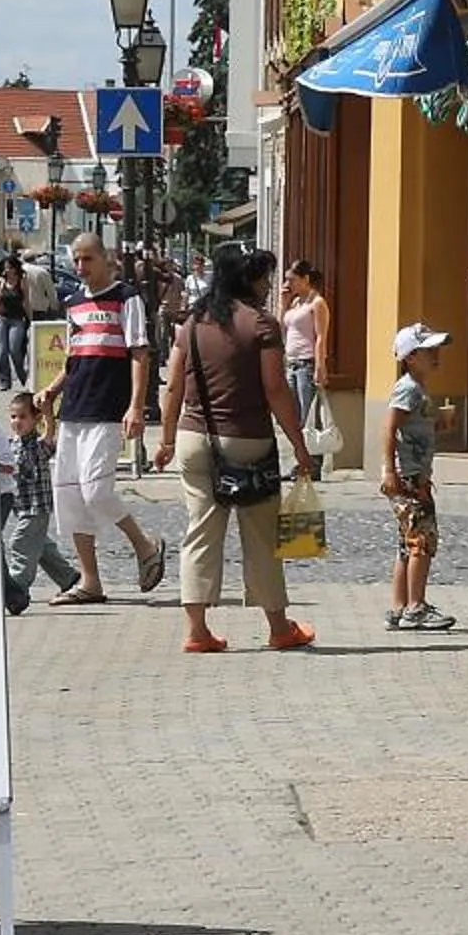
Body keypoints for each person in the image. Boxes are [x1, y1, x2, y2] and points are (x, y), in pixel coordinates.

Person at [156, 244, 316, 654]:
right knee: (262, 535)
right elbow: (276, 389)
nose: (267, 285)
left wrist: (167, 439)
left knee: (200, 531)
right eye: (262, 277)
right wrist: (299, 445)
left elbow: (173, 385)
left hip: (195, 437)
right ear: (247, 279)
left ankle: (196, 630)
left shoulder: (191, 322)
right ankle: (279, 628)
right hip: (247, 439)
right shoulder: (261, 325)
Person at [40, 231, 166, 605]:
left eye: (87, 259)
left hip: (108, 407)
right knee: (69, 495)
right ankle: (90, 581)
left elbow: (139, 353)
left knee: (96, 489)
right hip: (74, 408)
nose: (80, 267)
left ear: (105, 258)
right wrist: (52, 389)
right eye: (76, 260)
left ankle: (144, 546)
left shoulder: (125, 298)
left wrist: (136, 405)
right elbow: (74, 356)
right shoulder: (73, 303)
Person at [383, 322, 456, 632]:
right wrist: (389, 469)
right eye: (428, 351)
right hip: (409, 479)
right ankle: (416, 607)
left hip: (414, 476)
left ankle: (399, 606)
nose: (436, 354)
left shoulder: (418, 390)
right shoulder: (408, 388)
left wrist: (440, 420)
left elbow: (416, 427)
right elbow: (389, 428)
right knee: (422, 542)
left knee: (407, 543)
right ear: (410, 357)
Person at [4, 388, 81, 608]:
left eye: (22, 417)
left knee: (20, 543)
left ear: (34, 419)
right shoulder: (13, 444)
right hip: (22, 507)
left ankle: (17, 590)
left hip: (37, 507)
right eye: (13, 416)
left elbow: (49, 436)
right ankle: (68, 577)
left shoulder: (38, 444)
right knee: (41, 546)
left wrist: (47, 413)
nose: (17, 421)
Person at [281, 258, 332, 471]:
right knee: (293, 416)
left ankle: (313, 463)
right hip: (291, 363)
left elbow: (321, 336)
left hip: (307, 363)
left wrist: (320, 366)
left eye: (292, 280)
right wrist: (283, 304)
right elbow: (283, 328)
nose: (288, 284)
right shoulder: (295, 303)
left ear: (305, 279)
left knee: (309, 415)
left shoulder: (317, 303)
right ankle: (300, 459)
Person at [0, 248, 31, 388]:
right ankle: (4, 381)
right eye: (5, 268)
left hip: (17, 319)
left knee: (15, 350)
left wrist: (30, 319)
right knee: (2, 350)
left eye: (9, 268)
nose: (7, 270)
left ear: (15, 268)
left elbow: (26, 301)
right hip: (1, 319)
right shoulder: (0, 282)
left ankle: (23, 377)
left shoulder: (22, 281)